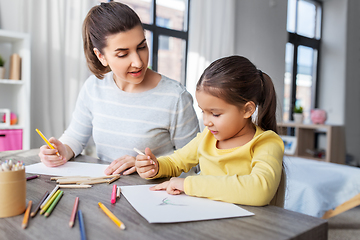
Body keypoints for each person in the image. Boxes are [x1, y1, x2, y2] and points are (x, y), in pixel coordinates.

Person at [38, 2, 199, 176]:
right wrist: (62, 150)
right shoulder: (93, 88)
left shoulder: (176, 97)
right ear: (101, 56)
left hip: (157, 197)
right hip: (106, 192)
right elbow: (75, 138)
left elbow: (195, 166)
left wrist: (152, 167)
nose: (138, 62)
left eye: (142, 47)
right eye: (123, 54)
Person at [135, 55, 285, 206]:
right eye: (203, 112)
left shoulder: (266, 143)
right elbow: (175, 162)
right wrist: (156, 167)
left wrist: (188, 184)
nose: (206, 122)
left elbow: (259, 191)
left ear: (247, 110)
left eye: (215, 114)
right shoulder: (207, 137)